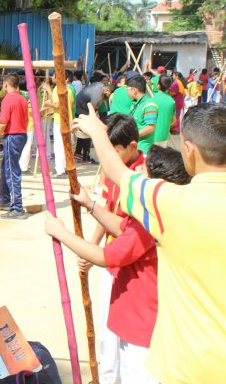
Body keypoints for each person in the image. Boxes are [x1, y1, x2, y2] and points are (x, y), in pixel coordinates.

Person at [73, 102, 226, 383]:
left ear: (189, 150)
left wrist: (96, 131)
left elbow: (116, 173)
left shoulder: (170, 201)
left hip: (186, 363)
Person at [45, 145, 191, 384]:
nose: (134, 178)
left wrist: (61, 234)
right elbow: (121, 227)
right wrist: (90, 205)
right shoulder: (157, 214)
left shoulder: (149, 224)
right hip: (141, 325)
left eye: (141, 173)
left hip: (141, 332)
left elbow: (104, 257)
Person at [84, 113, 145, 384]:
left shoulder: (146, 174)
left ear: (133, 146)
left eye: (115, 150)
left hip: (134, 264)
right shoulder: (112, 169)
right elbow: (106, 210)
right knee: (108, 327)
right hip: (110, 258)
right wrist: (90, 247)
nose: (110, 157)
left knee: (130, 335)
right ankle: (108, 378)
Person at [0, 74, 29, 219]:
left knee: (12, 171)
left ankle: (17, 208)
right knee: (6, 167)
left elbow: (3, 123)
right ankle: (4, 198)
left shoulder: (8, 99)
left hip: (13, 136)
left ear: (6, 85)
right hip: (20, 135)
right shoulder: (22, 98)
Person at [42, 72, 77, 177]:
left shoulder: (57, 89)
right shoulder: (70, 90)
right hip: (68, 119)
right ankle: (66, 167)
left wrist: (48, 103)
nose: (52, 77)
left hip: (60, 121)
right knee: (67, 146)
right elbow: (66, 104)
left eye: (54, 76)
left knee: (59, 146)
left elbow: (57, 105)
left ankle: (60, 170)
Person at [75, 72, 106, 162]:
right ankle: (85, 156)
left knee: (83, 133)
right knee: (87, 134)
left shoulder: (98, 87)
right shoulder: (98, 93)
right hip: (82, 111)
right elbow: (94, 108)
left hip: (81, 109)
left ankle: (79, 154)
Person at [126, 75, 159, 153]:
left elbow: (151, 127)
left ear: (134, 90)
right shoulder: (136, 103)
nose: (127, 92)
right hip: (134, 147)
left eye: (127, 89)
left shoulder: (149, 104)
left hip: (143, 149)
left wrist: (132, 136)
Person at [153, 77, 177, 148]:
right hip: (164, 136)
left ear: (158, 85)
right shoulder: (171, 100)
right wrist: (164, 127)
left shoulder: (152, 97)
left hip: (150, 135)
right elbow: (174, 122)